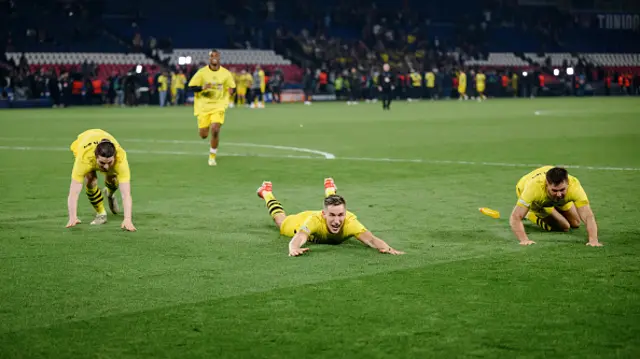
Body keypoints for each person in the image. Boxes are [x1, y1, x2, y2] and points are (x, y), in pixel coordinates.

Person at [256, 178, 405, 256]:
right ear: (324, 214)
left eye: (341, 215)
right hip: (301, 221)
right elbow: (301, 236)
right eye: (332, 215)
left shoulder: (350, 222)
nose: (337, 221)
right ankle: (266, 193)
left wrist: (388, 248)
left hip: (327, 210)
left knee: (335, 204)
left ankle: (330, 189)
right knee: (280, 220)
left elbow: (371, 239)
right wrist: (293, 247)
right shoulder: (314, 220)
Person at [509, 166, 601, 246]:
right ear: (546, 185)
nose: (559, 194)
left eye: (562, 190)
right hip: (537, 200)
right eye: (554, 190)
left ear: (567, 183)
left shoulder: (574, 187)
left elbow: (588, 215)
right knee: (564, 226)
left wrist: (593, 240)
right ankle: (529, 214)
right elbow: (515, 216)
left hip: (552, 195)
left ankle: (554, 206)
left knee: (575, 223)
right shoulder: (533, 189)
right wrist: (524, 240)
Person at [66, 129, 136, 231]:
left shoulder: (120, 159)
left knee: (112, 178)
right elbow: (74, 192)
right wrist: (72, 216)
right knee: (90, 180)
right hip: (85, 140)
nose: (106, 166)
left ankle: (110, 194)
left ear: (114, 156)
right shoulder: (84, 159)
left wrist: (127, 219)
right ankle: (101, 213)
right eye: (102, 163)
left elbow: (126, 194)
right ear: (95, 156)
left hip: (102, 136)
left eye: (110, 162)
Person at [187, 49, 236, 166]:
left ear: (219, 58)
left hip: (218, 105)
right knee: (203, 134)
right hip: (203, 107)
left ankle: (212, 157)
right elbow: (191, 87)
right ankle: (205, 132)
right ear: (209, 58)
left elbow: (232, 88)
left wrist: (231, 91)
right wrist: (202, 88)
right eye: (212, 56)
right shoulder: (202, 72)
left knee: (215, 129)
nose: (214, 58)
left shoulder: (226, 73)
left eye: (216, 56)